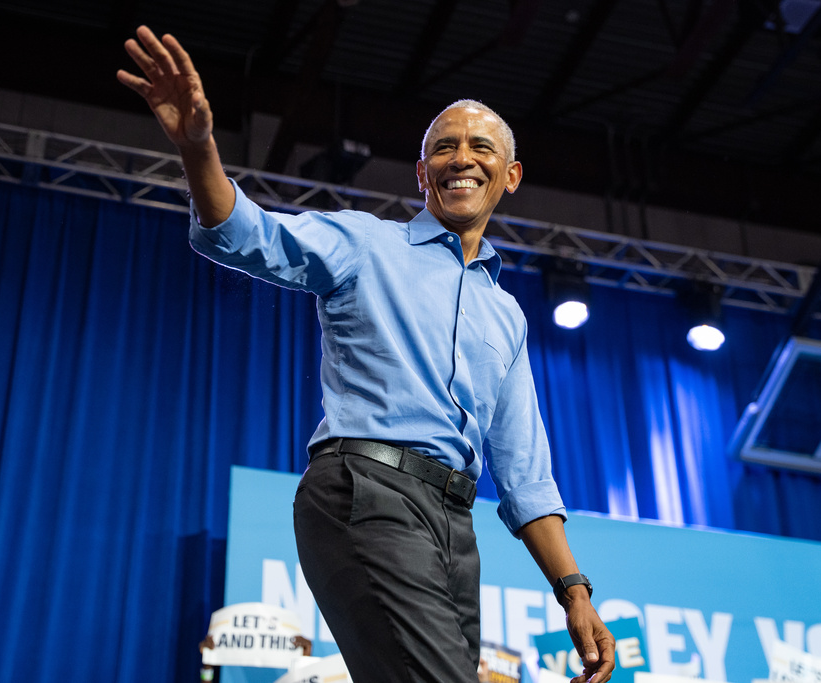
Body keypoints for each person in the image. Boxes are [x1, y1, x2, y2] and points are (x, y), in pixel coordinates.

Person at [118, 25, 615, 683]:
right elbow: (243, 234)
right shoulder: (364, 243)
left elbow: (524, 471)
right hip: (367, 492)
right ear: (422, 172)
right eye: (443, 147)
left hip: (453, 527)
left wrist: (574, 590)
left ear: (511, 175)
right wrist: (199, 147)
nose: (461, 157)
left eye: (480, 147)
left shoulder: (508, 315)